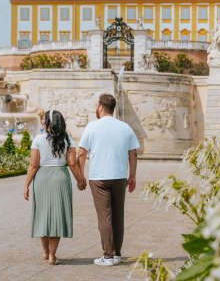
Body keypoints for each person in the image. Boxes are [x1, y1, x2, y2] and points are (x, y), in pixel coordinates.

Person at [78, 93, 140, 267]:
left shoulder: (92, 127)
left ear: (100, 107)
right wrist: (132, 175)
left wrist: (80, 176)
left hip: (99, 177)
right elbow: (133, 152)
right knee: (118, 216)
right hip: (119, 176)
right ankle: (117, 253)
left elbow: (82, 153)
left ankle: (108, 255)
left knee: (105, 217)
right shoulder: (125, 127)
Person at [24, 110, 86, 265]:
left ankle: (45, 252)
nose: (43, 123)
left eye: (45, 120)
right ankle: (52, 255)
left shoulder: (38, 139)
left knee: (43, 215)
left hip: (42, 179)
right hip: (60, 178)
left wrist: (26, 185)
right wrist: (80, 180)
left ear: (50, 123)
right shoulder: (67, 139)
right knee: (57, 217)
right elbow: (72, 163)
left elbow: (33, 164)